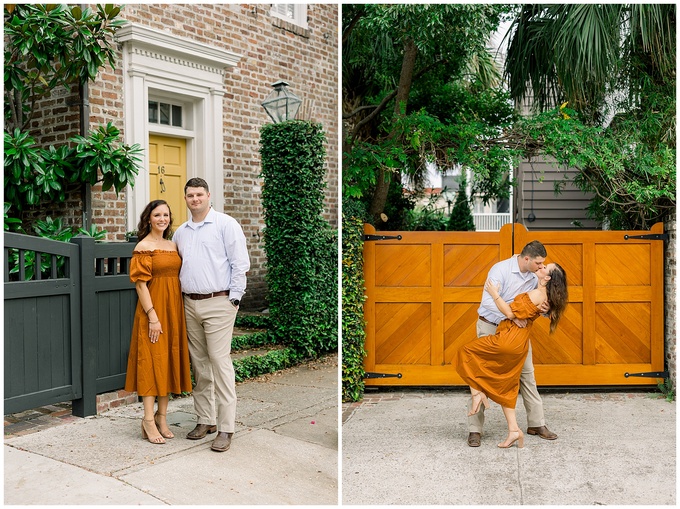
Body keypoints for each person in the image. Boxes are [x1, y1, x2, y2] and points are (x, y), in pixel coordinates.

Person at [172, 177, 250, 453]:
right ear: (185, 199)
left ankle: (227, 427)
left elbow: (240, 264)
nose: (195, 199)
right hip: (189, 304)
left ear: (208, 196)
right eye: (190, 195)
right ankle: (206, 420)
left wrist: (235, 300)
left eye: (199, 195)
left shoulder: (225, 224)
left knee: (219, 361)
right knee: (200, 364)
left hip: (219, 302)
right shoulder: (180, 232)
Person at [456, 263, 568, 448]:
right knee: (502, 379)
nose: (540, 266)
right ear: (527, 258)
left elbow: (513, 310)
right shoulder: (502, 271)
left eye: (543, 266)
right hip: (501, 330)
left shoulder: (536, 286)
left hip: (511, 337)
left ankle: (535, 423)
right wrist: (522, 312)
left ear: (547, 278)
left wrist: (496, 294)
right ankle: (494, 429)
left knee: (523, 375)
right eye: (539, 263)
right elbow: (491, 305)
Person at [124, 200, 193, 445]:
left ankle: (162, 417)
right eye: (157, 215)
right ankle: (147, 420)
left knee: (168, 362)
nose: (162, 219)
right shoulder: (144, 246)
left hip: (173, 311)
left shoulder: (172, 244)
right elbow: (141, 284)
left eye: (166, 214)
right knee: (152, 364)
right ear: (149, 219)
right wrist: (153, 317)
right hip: (152, 312)